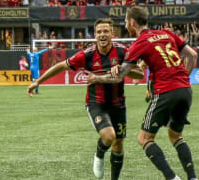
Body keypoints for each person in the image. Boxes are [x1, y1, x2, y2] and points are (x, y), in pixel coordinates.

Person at [86, 7, 198, 180]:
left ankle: (172, 178)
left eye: (125, 21)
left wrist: (97, 78)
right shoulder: (167, 33)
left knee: (144, 138)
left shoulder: (140, 42)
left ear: (132, 22)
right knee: (175, 135)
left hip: (165, 91)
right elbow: (192, 54)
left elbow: (120, 76)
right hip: (185, 90)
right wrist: (183, 78)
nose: (124, 24)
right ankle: (192, 177)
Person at [27, 18, 144, 180]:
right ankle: (99, 153)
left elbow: (140, 74)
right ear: (94, 35)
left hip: (118, 104)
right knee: (109, 137)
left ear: (112, 33)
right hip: (96, 103)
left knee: (118, 145)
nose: (102, 34)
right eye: (99, 32)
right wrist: (38, 81)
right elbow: (61, 66)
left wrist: (124, 70)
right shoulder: (87, 55)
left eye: (105, 31)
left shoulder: (123, 51)